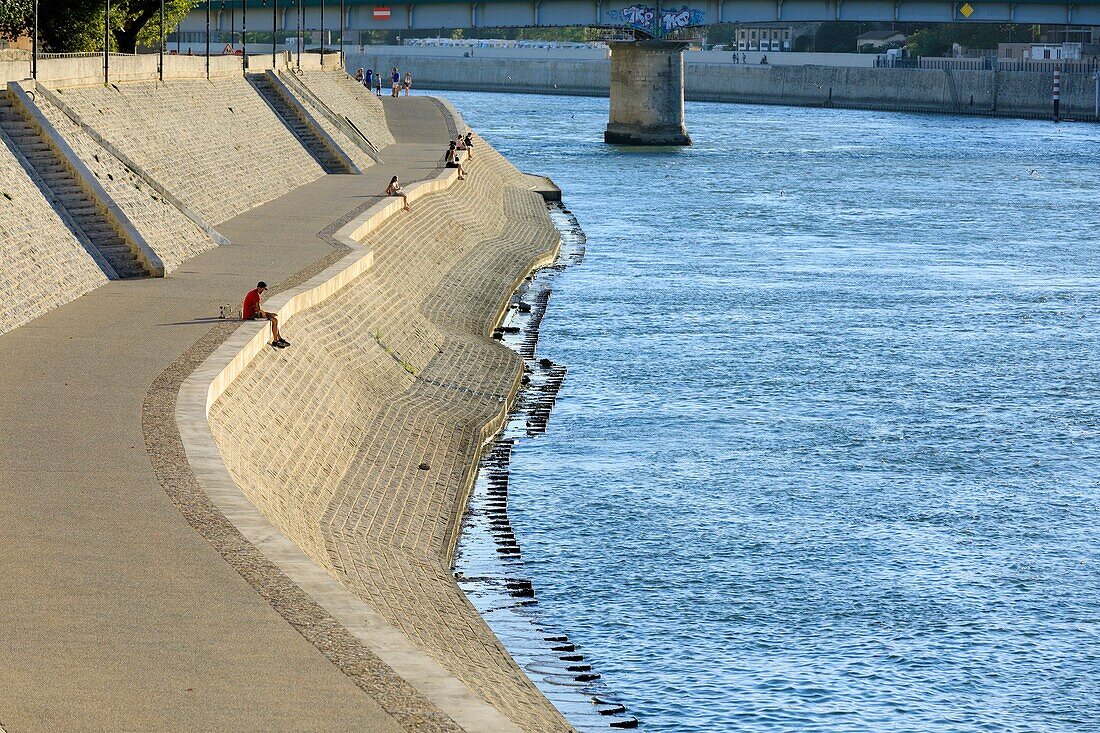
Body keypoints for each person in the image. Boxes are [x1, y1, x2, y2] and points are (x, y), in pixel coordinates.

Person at [243, 281, 289, 348]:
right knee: (274, 320)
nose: (262, 291)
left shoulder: (252, 292)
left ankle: (279, 338)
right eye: (262, 289)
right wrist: (269, 314)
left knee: (274, 319)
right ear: (259, 287)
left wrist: (268, 314)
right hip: (250, 315)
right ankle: (275, 341)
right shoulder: (256, 295)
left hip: (249, 314)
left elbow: (258, 310)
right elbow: (259, 310)